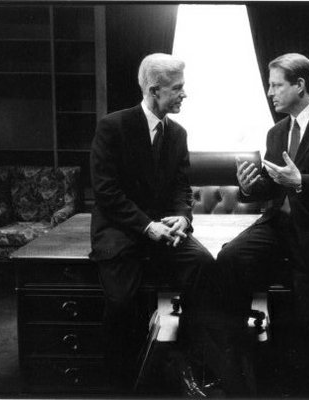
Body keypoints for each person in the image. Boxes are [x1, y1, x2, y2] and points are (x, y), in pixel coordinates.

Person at [215, 52, 309, 395]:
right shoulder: (277, 131)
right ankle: (243, 355)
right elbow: (270, 186)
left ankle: (307, 382)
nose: (271, 92)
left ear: (300, 85)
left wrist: (302, 182)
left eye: (276, 85)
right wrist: (249, 187)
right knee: (228, 259)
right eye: (270, 85)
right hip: (278, 224)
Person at [89, 53, 214, 395]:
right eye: (178, 88)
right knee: (122, 300)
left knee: (204, 266)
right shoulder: (112, 127)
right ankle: (121, 384)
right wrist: (147, 226)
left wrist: (183, 217)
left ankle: (185, 362)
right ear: (154, 90)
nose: (183, 94)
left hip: (164, 229)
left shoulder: (178, 133)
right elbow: (106, 193)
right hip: (120, 227)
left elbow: (181, 186)